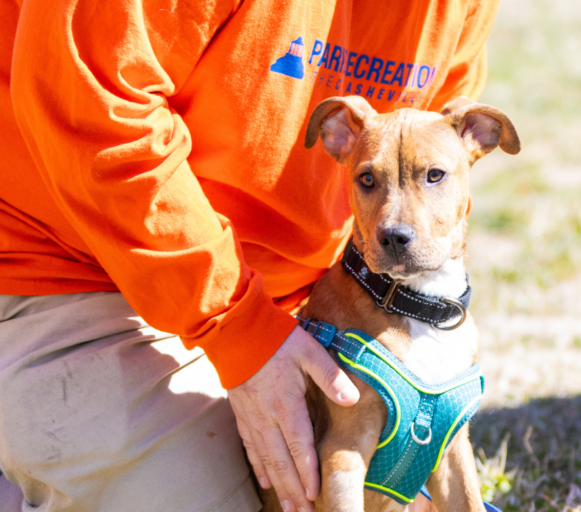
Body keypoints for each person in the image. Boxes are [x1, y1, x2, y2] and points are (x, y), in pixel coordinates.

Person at [0, 1, 500, 511]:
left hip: (296, 306)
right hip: (79, 269)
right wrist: (239, 328)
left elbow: (428, 157)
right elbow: (89, 107)